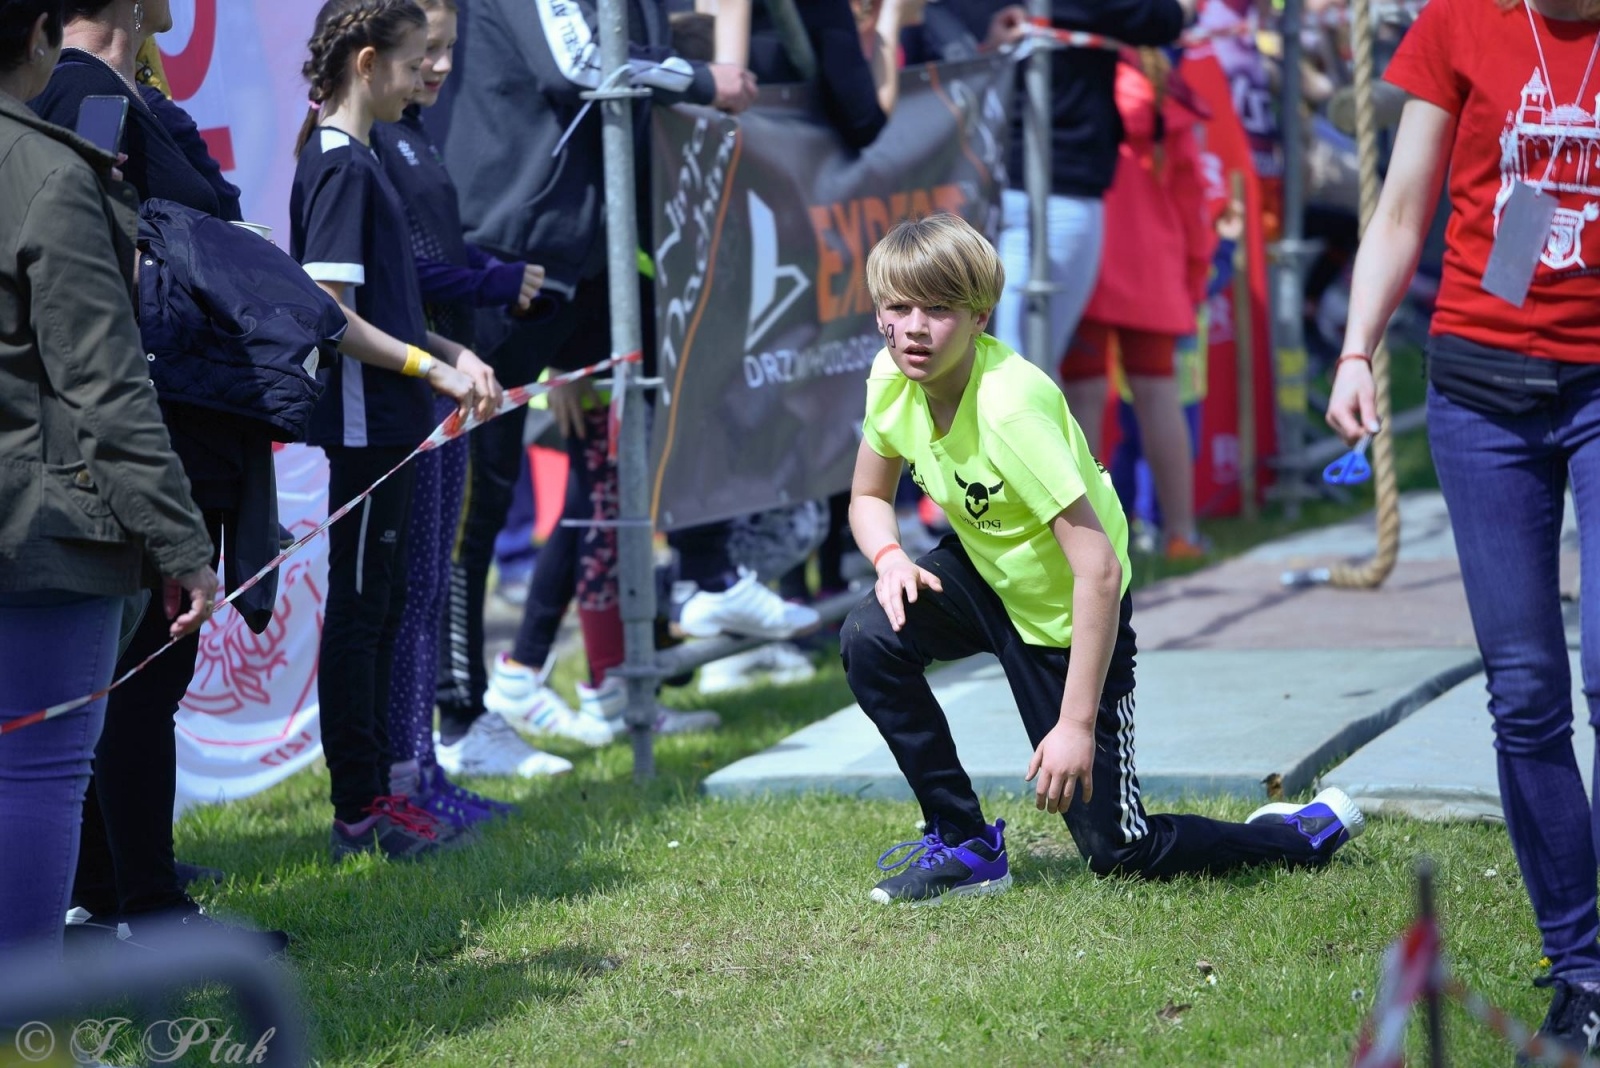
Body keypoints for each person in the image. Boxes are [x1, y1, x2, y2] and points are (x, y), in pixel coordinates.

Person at [840, 214, 1364, 905]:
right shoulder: (891, 375)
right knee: (869, 637)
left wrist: (1075, 725)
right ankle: (965, 845)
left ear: (979, 316)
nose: (913, 328)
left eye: (938, 310)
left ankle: (1299, 832)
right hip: (985, 571)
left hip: (1069, 610)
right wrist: (888, 558)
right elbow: (867, 496)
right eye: (897, 307)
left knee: (1122, 852)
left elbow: (1099, 570)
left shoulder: (1009, 410)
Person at [1327, 0, 1600, 1052]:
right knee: (1524, 695)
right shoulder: (1456, 20)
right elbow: (1400, 211)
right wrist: (1356, 348)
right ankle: (1580, 967)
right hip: (1480, 388)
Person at [30, 0, 285, 947]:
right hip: (154, 432)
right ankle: (145, 902)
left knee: (136, 678)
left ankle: (112, 887)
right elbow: (98, 263)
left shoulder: (122, 93)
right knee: (138, 676)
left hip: (180, 428)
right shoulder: (91, 99)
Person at [0, 0, 216, 955]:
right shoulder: (53, 174)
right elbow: (108, 385)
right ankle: (32, 1034)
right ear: (43, 34)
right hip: (43, 530)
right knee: (41, 777)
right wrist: (185, 545)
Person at [290, 0, 499, 862]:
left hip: (394, 421)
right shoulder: (338, 164)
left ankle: (381, 798)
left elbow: (395, 306)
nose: (427, 79)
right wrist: (432, 368)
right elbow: (332, 317)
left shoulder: (363, 157)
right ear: (368, 62)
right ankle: (359, 811)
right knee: (362, 613)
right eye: (418, 64)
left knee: (380, 609)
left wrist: (451, 350)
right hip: (366, 428)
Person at [370, 0, 571, 802]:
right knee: (395, 598)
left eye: (448, 50)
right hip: (407, 393)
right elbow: (393, 276)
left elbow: (436, 252)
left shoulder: (415, 132)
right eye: (428, 52)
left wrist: (499, 281)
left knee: (427, 585)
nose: (443, 68)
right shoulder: (364, 146)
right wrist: (490, 281)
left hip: (450, 372)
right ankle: (386, 779)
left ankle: (421, 768)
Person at [947, 0, 1193, 383]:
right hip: (1048, 186)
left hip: (975, 177)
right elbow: (1165, 18)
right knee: (1021, 372)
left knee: (1007, 366)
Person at [1063, 48, 1213, 560]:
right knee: (1159, 397)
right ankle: (1182, 534)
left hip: (1091, 264)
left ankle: (1086, 543)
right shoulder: (1165, 89)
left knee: (1081, 403)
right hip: (1156, 267)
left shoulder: (1076, 79)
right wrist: (1194, 273)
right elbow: (1194, 196)